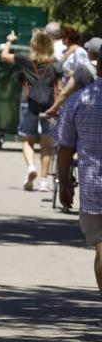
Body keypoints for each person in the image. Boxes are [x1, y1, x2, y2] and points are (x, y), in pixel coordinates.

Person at [54, 45, 101, 304]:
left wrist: (64, 184)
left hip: (93, 188)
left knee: (101, 246)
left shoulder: (78, 100)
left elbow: (64, 149)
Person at [0, 29, 61, 192]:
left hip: (28, 103)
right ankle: (43, 181)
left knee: (28, 140)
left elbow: (4, 56)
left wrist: (10, 40)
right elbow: (59, 88)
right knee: (47, 144)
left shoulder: (25, 59)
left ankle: (31, 167)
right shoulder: (56, 63)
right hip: (49, 107)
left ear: (33, 45)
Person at [46, 37, 100, 117]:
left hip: (84, 113)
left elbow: (65, 92)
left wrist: (53, 108)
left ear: (90, 53)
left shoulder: (83, 70)